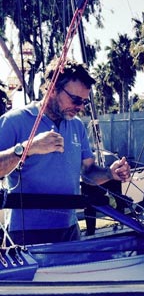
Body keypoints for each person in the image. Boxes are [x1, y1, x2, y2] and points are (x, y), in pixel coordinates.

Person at [0, 58, 131, 245]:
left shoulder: (77, 126)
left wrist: (110, 173)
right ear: (52, 88)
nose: (80, 107)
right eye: (75, 99)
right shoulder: (14, 121)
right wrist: (28, 148)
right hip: (25, 233)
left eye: (84, 102)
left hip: (69, 230)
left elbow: (88, 173)